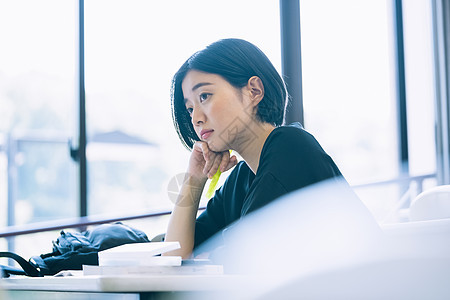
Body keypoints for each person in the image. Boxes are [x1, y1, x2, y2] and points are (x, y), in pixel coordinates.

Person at [164, 38, 344, 259]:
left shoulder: (291, 148)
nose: (196, 119)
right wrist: (192, 181)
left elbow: (242, 259)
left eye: (204, 96)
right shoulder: (241, 178)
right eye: (190, 108)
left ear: (254, 91)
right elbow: (173, 258)